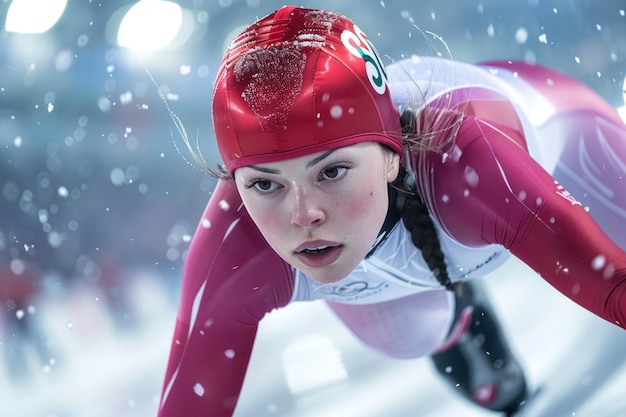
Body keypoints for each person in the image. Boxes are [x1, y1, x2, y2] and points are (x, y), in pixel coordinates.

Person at [156, 6, 626, 417]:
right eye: (264, 184)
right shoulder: (239, 235)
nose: (304, 215)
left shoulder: (470, 163)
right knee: (406, 334)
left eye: (332, 172)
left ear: (391, 155)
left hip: (570, 133)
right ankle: (459, 317)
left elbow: (612, 285)